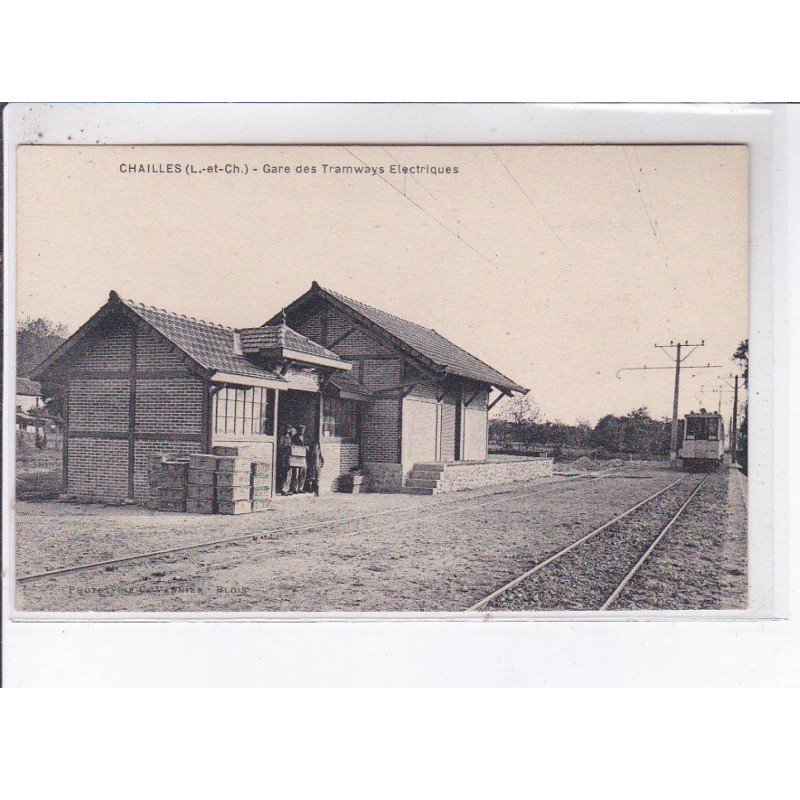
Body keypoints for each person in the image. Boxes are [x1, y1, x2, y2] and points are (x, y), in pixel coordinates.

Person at [289, 425, 307, 493]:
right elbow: (292, 445)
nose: (302, 431)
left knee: (303, 472)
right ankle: (295, 488)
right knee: (295, 473)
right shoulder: (294, 437)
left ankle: (300, 488)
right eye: (301, 430)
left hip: (303, 457)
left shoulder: (304, 437)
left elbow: (305, 445)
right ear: (298, 430)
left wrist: (306, 447)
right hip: (296, 457)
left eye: (303, 430)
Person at [278, 426, 294, 495]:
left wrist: (292, 445)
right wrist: (287, 446)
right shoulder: (282, 437)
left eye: (289, 429)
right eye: (287, 429)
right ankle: (283, 489)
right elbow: (280, 446)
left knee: (289, 473)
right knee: (285, 473)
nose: (288, 431)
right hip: (284, 457)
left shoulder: (289, 437)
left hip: (289, 457)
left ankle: (286, 489)